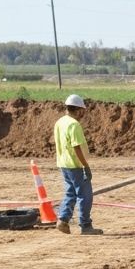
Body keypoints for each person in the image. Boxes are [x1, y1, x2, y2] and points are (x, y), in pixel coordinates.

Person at [53, 94, 102, 236]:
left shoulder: (60, 122)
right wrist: (85, 165)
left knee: (71, 192)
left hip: (64, 164)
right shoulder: (74, 125)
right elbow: (77, 147)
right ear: (79, 109)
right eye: (83, 111)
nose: (83, 114)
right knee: (85, 195)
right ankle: (86, 225)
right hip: (75, 165)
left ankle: (63, 220)